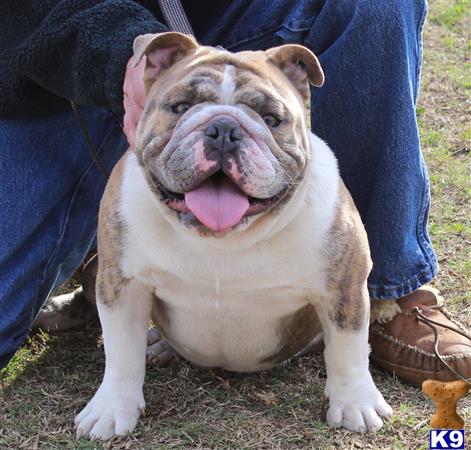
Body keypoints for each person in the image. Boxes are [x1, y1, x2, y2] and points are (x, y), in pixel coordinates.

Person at [1, 0, 469, 385]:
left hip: (235, 16)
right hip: (47, 50)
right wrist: (122, 47)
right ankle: (111, 272)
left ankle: (389, 292)